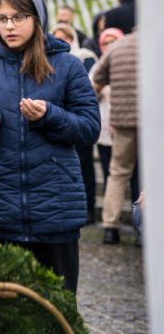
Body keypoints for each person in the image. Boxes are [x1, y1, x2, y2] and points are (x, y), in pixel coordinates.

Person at [0, 0, 100, 293]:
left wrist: (50, 116)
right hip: (1, 212)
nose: (9, 25)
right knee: (7, 313)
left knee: (56, 311)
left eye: (18, 17)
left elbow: (89, 127)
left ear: (38, 18)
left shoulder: (68, 66)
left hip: (56, 212)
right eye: (2, 18)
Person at [92, 32, 140, 245]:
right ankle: (145, 229)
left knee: (118, 173)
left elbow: (97, 81)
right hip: (155, 122)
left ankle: (110, 228)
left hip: (122, 119)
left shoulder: (117, 47)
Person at [51, 23, 99, 225]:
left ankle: (88, 208)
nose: (61, 40)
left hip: (77, 118)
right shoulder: (51, 60)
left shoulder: (84, 57)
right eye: (57, 37)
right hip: (58, 121)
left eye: (65, 37)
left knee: (85, 165)